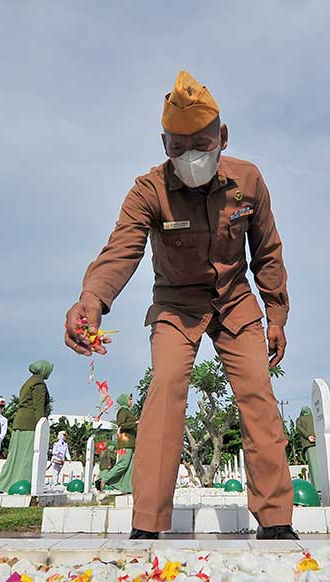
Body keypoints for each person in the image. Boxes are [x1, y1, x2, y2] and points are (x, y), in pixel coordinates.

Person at [64, 70, 296, 540]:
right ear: (163, 143)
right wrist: (91, 299)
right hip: (176, 305)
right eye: (177, 148)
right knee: (166, 391)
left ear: (222, 137)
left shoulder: (249, 182)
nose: (190, 158)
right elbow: (121, 250)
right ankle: (147, 526)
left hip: (235, 302)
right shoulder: (148, 191)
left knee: (258, 396)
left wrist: (276, 314)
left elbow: (267, 252)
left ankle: (276, 522)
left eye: (201, 145)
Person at [0, 361, 53, 493]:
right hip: (31, 423)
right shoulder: (39, 384)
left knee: (16, 456)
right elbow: (38, 406)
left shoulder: (29, 382)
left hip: (20, 421)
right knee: (28, 456)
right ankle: (24, 483)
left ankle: (2, 484)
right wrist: (41, 425)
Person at [97, 392, 137, 493]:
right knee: (123, 464)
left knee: (129, 467)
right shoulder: (122, 410)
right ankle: (103, 480)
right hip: (125, 442)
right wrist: (136, 423)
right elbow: (121, 425)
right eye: (129, 399)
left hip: (131, 442)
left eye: (131, 399)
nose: (131, 401)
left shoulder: (128, 411)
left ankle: (127, 488)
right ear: (124, 400)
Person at [296, 406, 319, 490]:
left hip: (308, 444)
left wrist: (308, 435)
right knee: (319, 465)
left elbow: (299, 428)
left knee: (313, 467)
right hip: (318, 443)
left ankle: (317, 487)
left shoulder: (300, 419)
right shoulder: (314, 418)